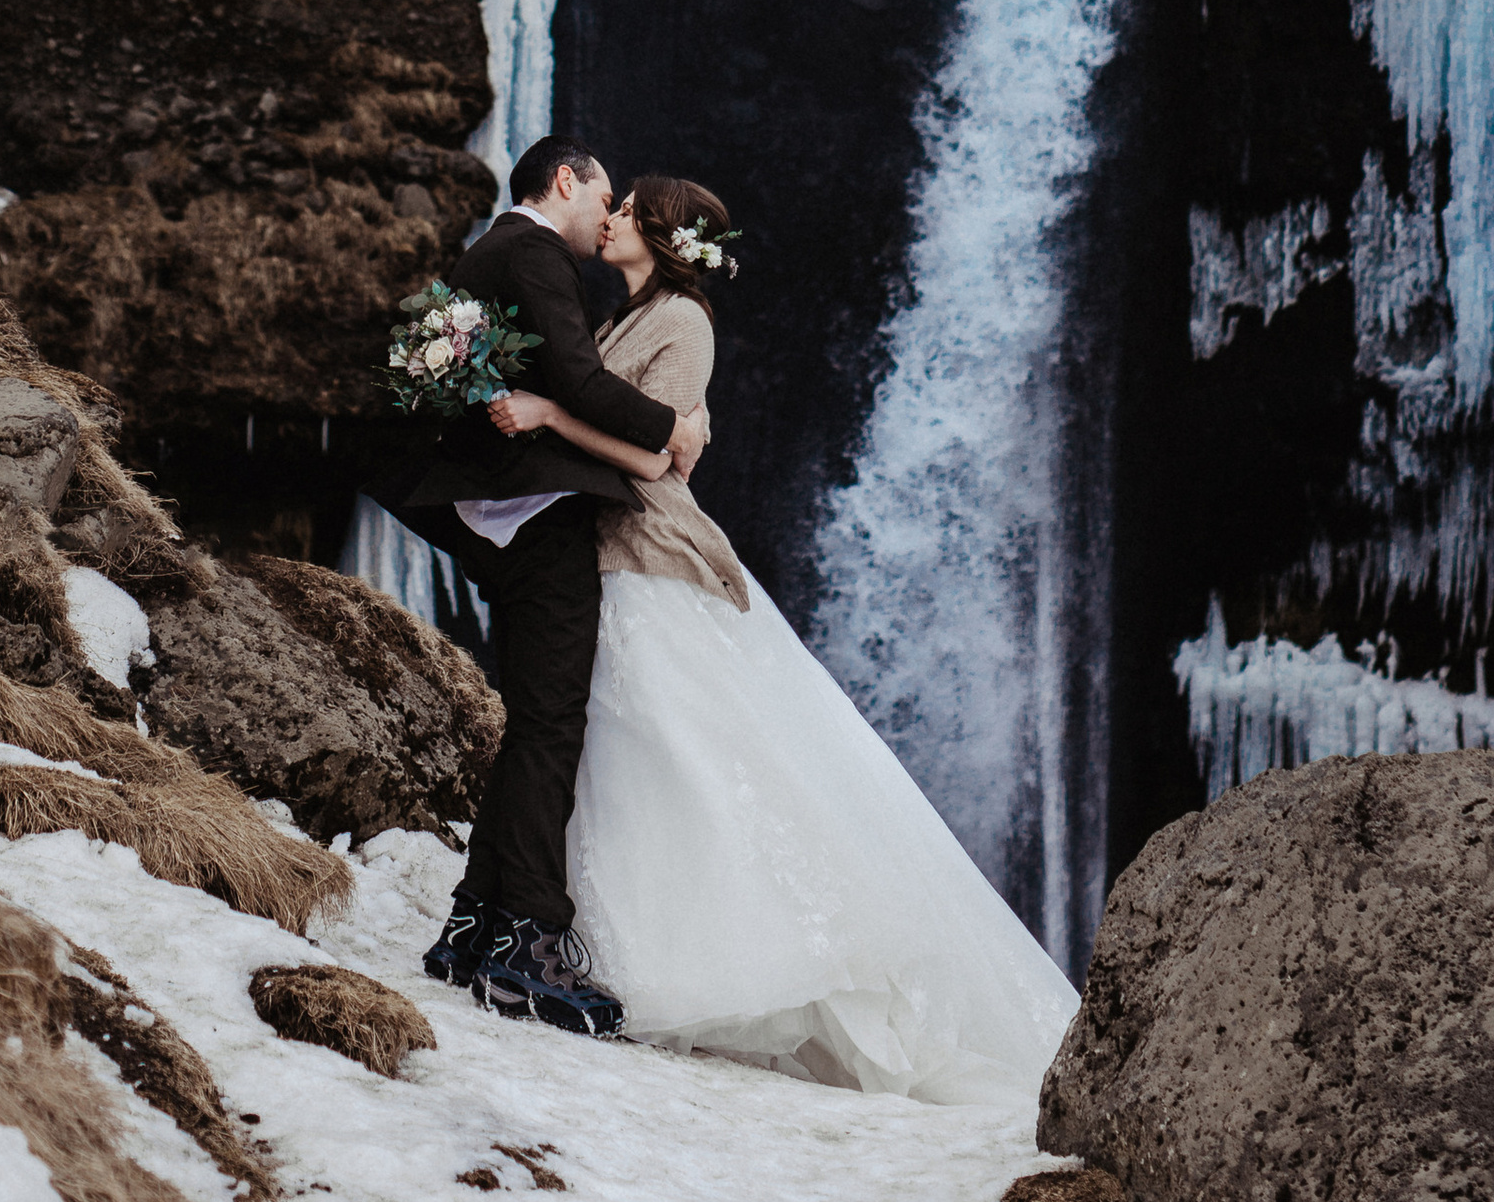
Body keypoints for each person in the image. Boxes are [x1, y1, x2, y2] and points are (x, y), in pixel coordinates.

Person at [484, 171, 1079, 1104]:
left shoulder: (683, 322)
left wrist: (553, 414)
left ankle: (721, 960)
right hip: (605, 555)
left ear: (665, 236)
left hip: (649, 558)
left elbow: (650, 455)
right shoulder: (621, 320)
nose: (612, 216)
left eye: (631, 209)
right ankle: (608, 941)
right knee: (632, 755)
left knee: (675, 753)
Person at [365, 135, 702, 1035]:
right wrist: (674, 426)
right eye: (605, 197)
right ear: (567, 181)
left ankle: (476, 921)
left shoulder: (497, 253)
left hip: (500, 515)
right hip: (535, 518)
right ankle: (529, 945)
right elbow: (576, 377)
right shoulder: (534, 251)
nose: (609, 215)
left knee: (533, 723)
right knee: (553, 724)